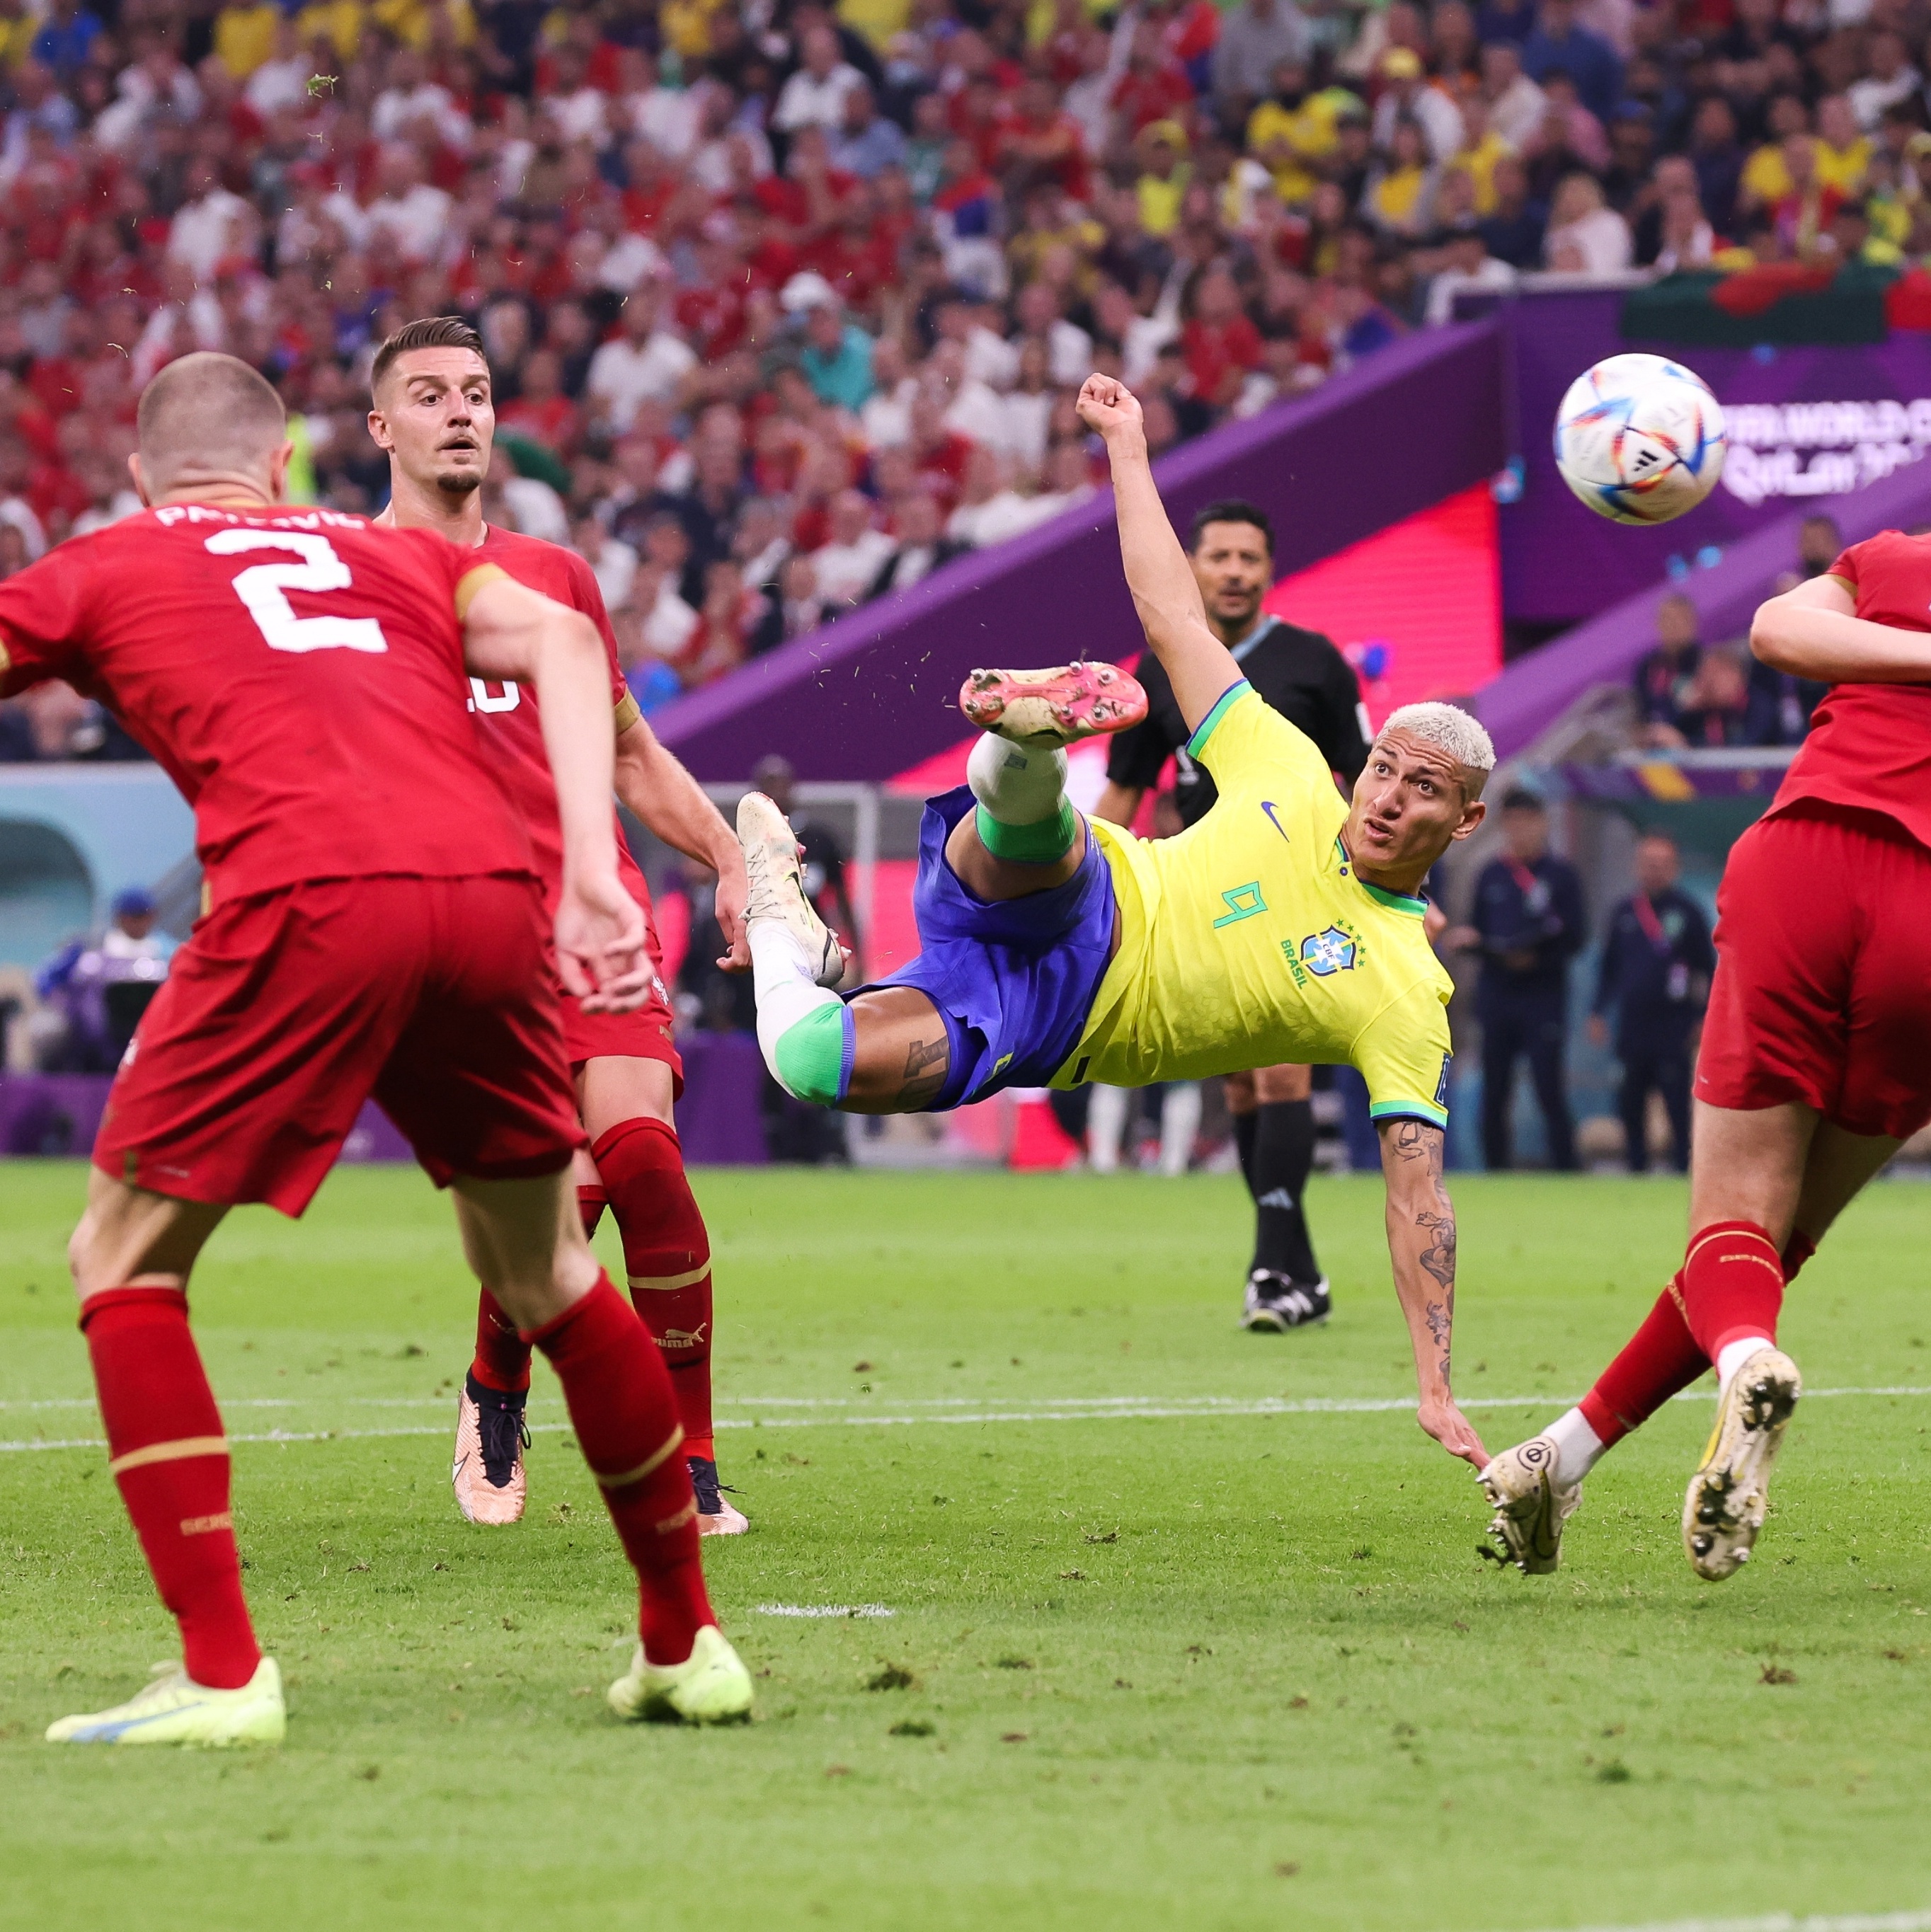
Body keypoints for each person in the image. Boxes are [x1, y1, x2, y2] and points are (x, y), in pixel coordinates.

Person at [1, 352, 751, 1744]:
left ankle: (223, 1676)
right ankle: (684, 1642)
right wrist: (594, 869)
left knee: (120, 1259)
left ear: (135, 479)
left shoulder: (104, 562)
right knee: (546, 1268)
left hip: (306, 895)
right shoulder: (382, 551)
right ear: (283, 464)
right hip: (487, 904)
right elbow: (572, 647)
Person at [739, 374, 1495, 1470]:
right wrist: (1129, 445)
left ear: (1464, 820)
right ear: (1360, 761)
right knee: (1033, 836)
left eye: (1423, 791)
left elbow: (1416, 1193)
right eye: (1385, 769)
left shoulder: (1403, 987)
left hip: (1047, 1021)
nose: (1388, 796)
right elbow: (1172, 616)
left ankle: (782, 918)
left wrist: (1436, 1384)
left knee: (808, 1059)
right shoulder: (1287, 766)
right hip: (1099, 893)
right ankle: (1030, 738)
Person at [1481, 529, 1931, 1584]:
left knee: (1739, 1223)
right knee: (1784, 1235)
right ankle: (1555, 1460)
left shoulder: (1902, 558)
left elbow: (1778, 628)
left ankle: (1740, 1365)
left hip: (1806, 860)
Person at [365, 316, 752, 1539]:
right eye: (429, 395)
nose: (461, 412)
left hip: (597, 919)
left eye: (475, 391)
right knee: (551, 1208)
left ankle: (689, 1465)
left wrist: (732, 855)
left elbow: (631, 756)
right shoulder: (344, 582)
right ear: (381, 428)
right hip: (468, 944)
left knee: (639, 1154)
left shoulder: (555, 577)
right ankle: (496, 1384)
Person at [1094, 498, 1370, 1332]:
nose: (1236, 572)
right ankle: (1302, 1271)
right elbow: (1122, 793)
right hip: (1204, 898)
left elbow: (1364, 789)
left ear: (1269, 570)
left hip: (1296, 891)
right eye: (1219, 558)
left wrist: (1390, 889)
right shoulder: (1159, 670)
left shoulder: (1314, 664)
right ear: (1193, 566)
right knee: (1245, 1085)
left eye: (1250, 558)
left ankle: (1266, 1271)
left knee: (1282, 1071)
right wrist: (1083, 887)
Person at [1448, 789, 1585, 1171]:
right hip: (1498, 995)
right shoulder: (1491, 874)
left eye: (1527, 820)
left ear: (1542, 823)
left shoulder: (1561, 876)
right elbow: (1475, 930)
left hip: (1543, 995)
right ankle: (1496, 1170)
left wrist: (1535, 956)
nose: (1520, 829)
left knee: (1548, 1087)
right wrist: (1478, 944)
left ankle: (1566, 1170)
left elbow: (1576, 935)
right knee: (1496, 1089)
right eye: (1512, 821)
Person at [1588, 832, 1714, 1173]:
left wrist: (1705, 1018)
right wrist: (1598, 1012)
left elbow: (1709, 969)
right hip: (1633, 1025)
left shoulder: (1688, 913)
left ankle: (1683, 1168)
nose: (1654, 871)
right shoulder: (1623, 912)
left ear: (1674, 868)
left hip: (1674, 1025)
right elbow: (1609, 968)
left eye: (1661, 864)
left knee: (1676, 1102)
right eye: (1648, 864)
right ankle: (1636, 1167)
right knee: (1631, 1100)